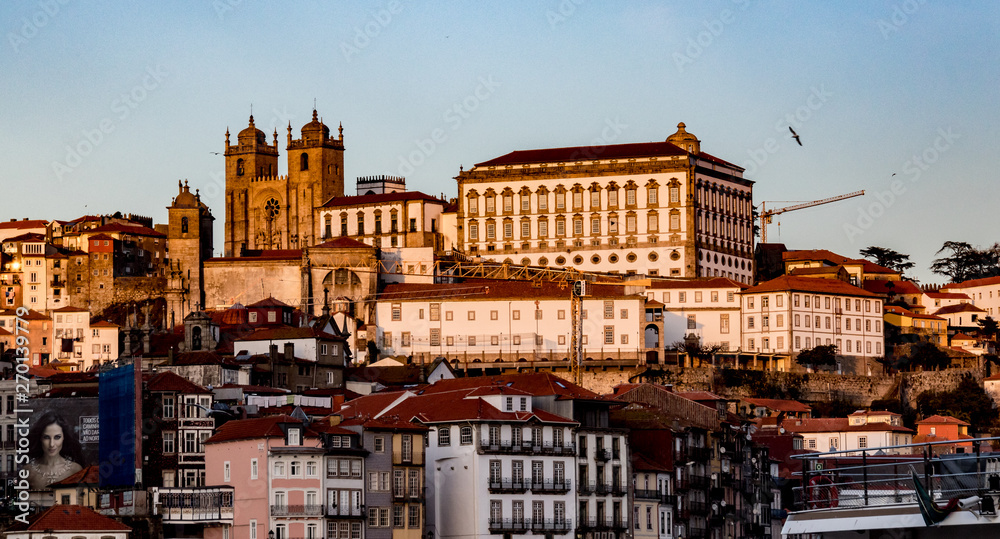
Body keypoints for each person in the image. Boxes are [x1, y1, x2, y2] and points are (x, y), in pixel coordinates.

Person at [24, 412, 83, 490]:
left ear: (64, 437)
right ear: (40, 438)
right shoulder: (28, 471)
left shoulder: (75, 470)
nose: (51, 444)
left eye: (57, 437)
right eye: (46, 437)